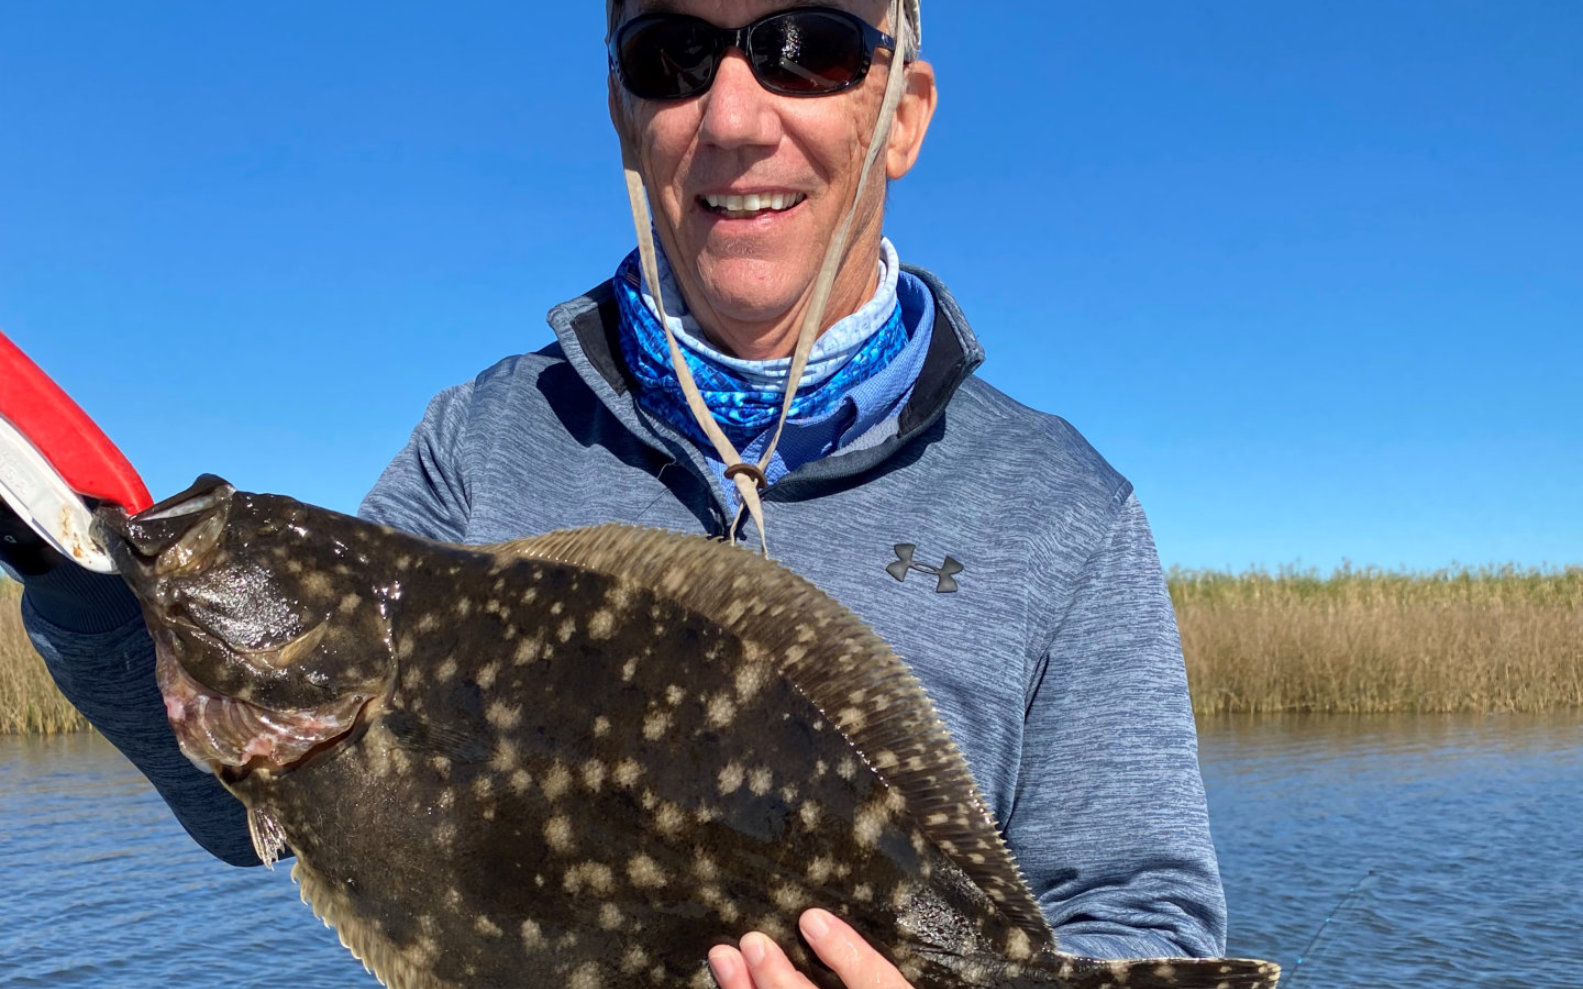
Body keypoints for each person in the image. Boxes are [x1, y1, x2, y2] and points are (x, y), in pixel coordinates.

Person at [1, 2, 1230, 986]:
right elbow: (263, 802)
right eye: (673, 52)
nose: (734, 115)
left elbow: (1142, 918)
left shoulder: (1064, 509)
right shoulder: (477, 440)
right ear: (622, 107)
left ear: (900, 112)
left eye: (809, 48)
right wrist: (81, 578)